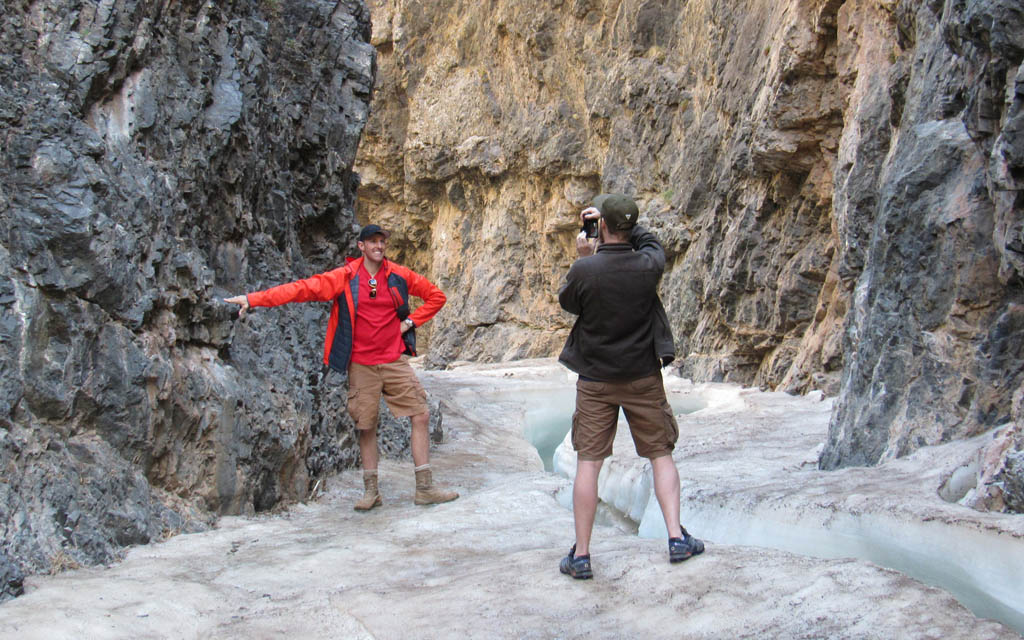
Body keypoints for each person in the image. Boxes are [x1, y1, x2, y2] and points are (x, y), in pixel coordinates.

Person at [224, 224, 458, 510]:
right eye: (372, 241)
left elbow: (436, 296)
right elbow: (301, 290)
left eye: (382, 241)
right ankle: (371, 492)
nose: (379, 246)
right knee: (366, 425)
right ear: (361, 246)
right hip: (360, 364)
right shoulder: (345, 277)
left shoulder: (398, 275)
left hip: (394, 359)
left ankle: (425, 488)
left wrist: (409, 323)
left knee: (420, 415)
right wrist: (252, 299)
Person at [556, 193, 704, 579]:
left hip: (595, 381)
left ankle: (583, 555)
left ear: (601, 226)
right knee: (661, 454)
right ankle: (676, 538)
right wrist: (620, 223)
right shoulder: (648, 265)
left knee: (589, 463)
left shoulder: (585, 270)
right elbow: (652, 241)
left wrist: (585, 255)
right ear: (630, 227)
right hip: (643, 377)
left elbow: (568, 303)